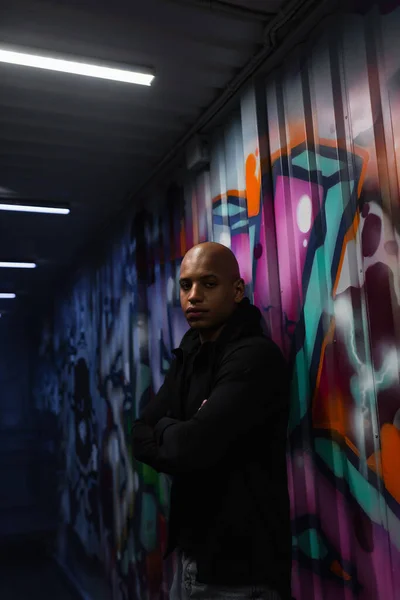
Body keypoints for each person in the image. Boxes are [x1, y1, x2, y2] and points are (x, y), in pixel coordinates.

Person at [132, 242, 291, 600]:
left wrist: (170, 431)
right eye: (186, 285)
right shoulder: (191, 352)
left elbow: (188, 449)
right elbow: (140, 431)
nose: (193, 296)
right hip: (192, 559)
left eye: (208, 283)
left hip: (242, 572)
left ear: (237, 290)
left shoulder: (253, 357)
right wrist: (177, 434)